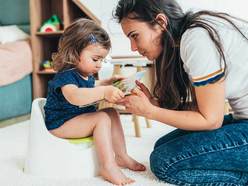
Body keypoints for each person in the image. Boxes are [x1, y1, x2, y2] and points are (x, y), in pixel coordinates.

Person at [114, 0, 248, 185]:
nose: (133, 47)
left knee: (165, 163)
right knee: (162, 147)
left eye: (135, 36)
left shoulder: (197, 39)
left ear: (161, 22)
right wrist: (156, 105)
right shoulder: (194, 32)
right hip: (243, 120)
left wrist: (150, 112)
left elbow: (211, 120)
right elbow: (207, 109)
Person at [44, 18, 145, 186]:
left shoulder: (85, 74)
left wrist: (108, 83)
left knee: (111, 113)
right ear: (75, 53)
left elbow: (90, 86)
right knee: (101, 118)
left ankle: (122, 156)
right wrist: (104, 92)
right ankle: (108, 166)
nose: (99, 65)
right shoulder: (66, 75)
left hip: (75, 118)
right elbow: (75, 95)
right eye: (95, 59)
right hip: (60, 123)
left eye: (102, 60)